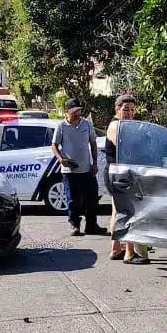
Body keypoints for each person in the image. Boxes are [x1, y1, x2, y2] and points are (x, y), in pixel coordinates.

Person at [104, 94, 151, 264]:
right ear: (117, 109)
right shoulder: (116, 126)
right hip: (118, 174)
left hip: (119, 173)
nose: (130, 113)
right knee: (128, 212)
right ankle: (130, 253)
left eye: (132, 109)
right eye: (126, 109)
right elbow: (125, 150)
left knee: (117, 212)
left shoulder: (125, 125)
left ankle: (116, 248)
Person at [52, 98, 105, 237]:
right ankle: (75, 225)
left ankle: (91, 225)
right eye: (74, 111)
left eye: (78, 111)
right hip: (70, 171)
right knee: (73, 200)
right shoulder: (61, 126)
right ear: (67, 111)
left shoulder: (86, 125)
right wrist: (60, 159)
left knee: (92, 199)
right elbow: (54, 145)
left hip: (87, 169)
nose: (76, 113)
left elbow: (93, 143)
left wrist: (94, 164)